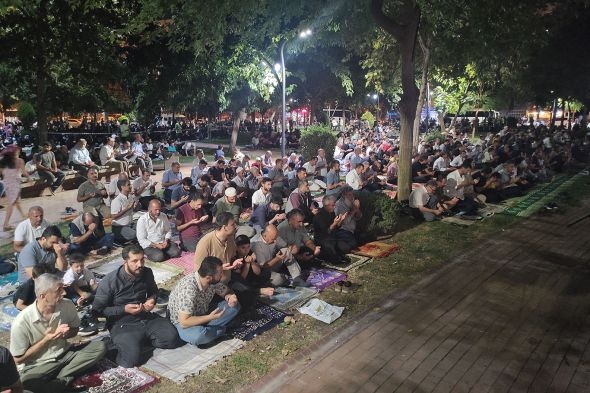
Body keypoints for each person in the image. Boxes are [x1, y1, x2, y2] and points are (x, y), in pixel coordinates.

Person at [11, 274, 106, 393]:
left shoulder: (67, 305)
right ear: (43, 296)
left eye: (63, 288)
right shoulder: (21, 321)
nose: (64, 293)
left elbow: (75, 330)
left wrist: (66, 334)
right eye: (58, 290)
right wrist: (47, 339)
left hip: (66, 354)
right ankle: (66, 379)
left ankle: (58, 380)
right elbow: (17, 359)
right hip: (39, 364)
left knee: (99, 347)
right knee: (27, 384)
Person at [92, 244, 181, 367]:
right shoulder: (110, 281)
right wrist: (124, 309)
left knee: (172, 339)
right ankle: (115, 342)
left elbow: (154, 292)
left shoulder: (147, 272)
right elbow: (97, 311)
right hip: (123, 324)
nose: (140, 264)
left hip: (145, 317)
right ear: (125, 262)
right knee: (129, 361)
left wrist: (151, 299)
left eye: (142, 260)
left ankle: (138, 340)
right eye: (135, 261)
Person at [168, 256, 240, 346]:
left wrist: (230, 298)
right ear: (209, 277)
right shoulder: (189, 289)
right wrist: (210, 317)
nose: (222, 275)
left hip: (204, 313)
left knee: (234, 307)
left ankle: (213, 329)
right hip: (184, 322)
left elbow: (226, 292)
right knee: (200, 336)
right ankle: (221, 329)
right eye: (220, 273)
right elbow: (184, 322)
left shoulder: (212, 281)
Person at [194, 212, 239, 285]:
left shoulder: (230, 239)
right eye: (233, 224)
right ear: (224, 227)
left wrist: (234, 263)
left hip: (228, 280)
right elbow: (198, 270)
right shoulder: (205, 242)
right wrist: (219, 269)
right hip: (213, 286)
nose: (235, 226)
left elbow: (231, 258)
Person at [230, 235, 274, 309]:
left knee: (266, 273)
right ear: (237, 248)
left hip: (251, 280)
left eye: (248, 247)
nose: (246, 250)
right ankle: (258, 291)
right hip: (242, 283)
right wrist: (247, 264)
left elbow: (258, 272)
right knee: (241, 288)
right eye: (243, 248)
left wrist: (252, 262)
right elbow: (241, 279)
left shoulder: (250, 253)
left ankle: (256, 289)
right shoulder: (235, 258)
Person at [313, 195, 351, 264]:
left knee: (346, 248)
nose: (334, 207)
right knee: (334, 257)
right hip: (322, 240)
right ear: (326, 205)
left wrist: (341, 220)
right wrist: (334, 223)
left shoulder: (332, 213)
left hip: (332, 238)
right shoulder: (319, 216)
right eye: (332, 205)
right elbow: (326, 232)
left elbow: (336, 228)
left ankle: (336, 254)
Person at [0, 145, 29, 231]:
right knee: (12, 204)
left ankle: (23, 215)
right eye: (17, 151)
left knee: (16, 201)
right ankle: (5, 224)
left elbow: (2, 172)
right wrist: (29, 178)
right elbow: (24, 172)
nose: (18, 152)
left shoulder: (3, 161)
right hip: (15, 183)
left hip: (7, 183)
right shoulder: (19, 161)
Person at [110, 179, 138, 245]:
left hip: (130, 224)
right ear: (122, 187)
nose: (131, 186)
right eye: (128, 185)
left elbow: (133, 210)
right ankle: (119, 239)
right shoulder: (117, 200)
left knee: (144, 228)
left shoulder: (130, 197)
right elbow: (113, 217)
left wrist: (135, 206)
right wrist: (127, 209)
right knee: (135, 234)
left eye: (130, 184)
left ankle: (130, 240)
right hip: (119, 227)